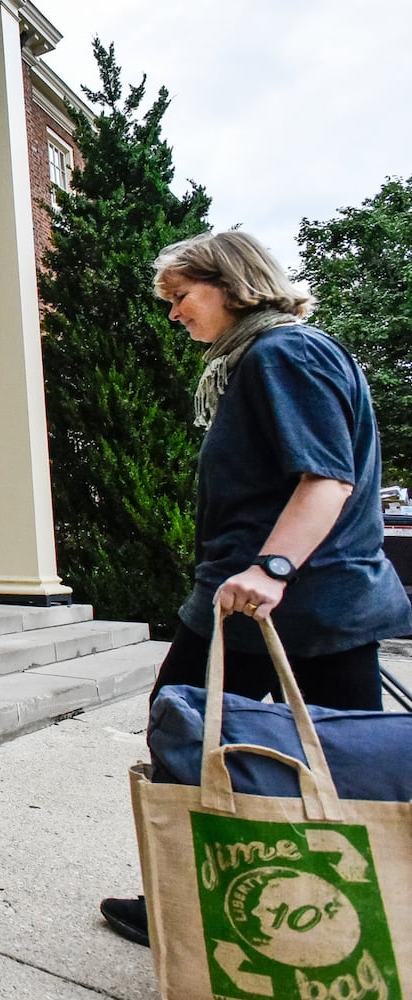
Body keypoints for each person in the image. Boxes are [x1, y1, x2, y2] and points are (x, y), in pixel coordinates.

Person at [99, 230, 412, 945]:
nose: (173, 314)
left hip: (286, 602)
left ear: (233, 283)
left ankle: (194, 907)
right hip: (297, 604)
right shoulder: (267, 357)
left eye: (181, 296)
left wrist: (269, 568)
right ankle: (336, 920)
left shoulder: (282, 354)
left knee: (188, 738)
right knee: (333, 765)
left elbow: (325, 478)